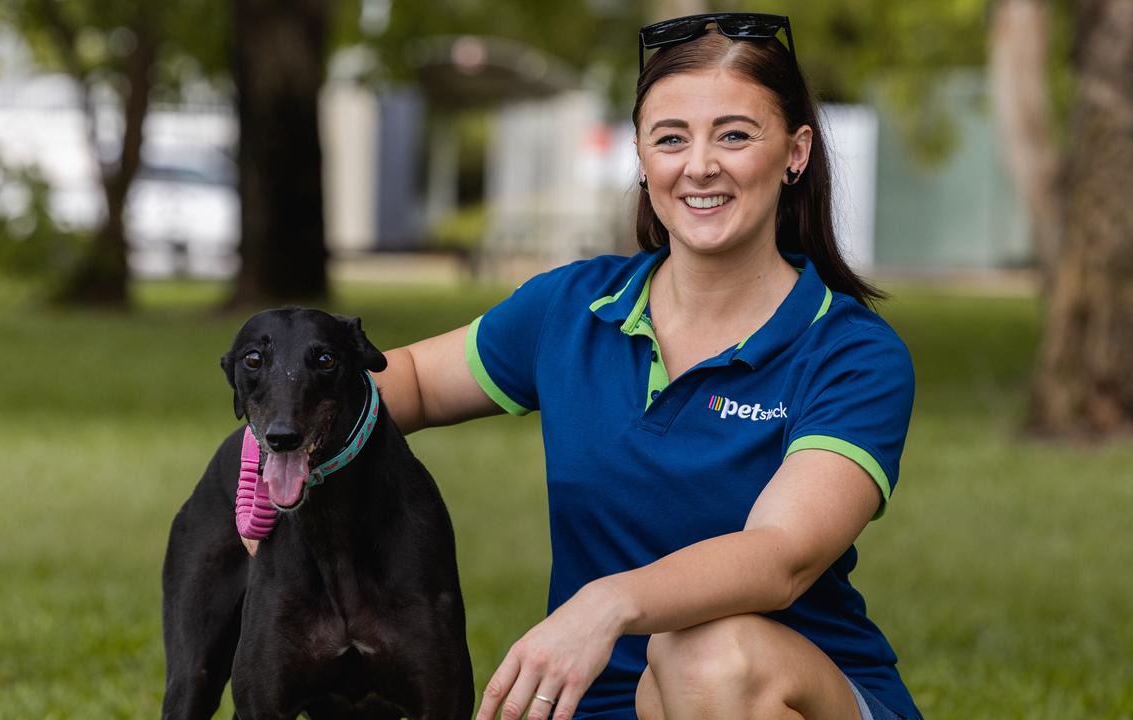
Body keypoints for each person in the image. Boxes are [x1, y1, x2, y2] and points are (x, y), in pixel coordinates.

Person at [371, 13, 920, 720]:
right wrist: (276, 442)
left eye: (734, 134)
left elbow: (781, 556)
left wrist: (608, 604)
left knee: (700, 654)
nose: (699, 165)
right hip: (599, 705)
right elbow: (408, 381)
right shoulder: (572, 308)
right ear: (640, 156)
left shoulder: (851, 355)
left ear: (795, 152)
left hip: (779, 694)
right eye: (670, 139)